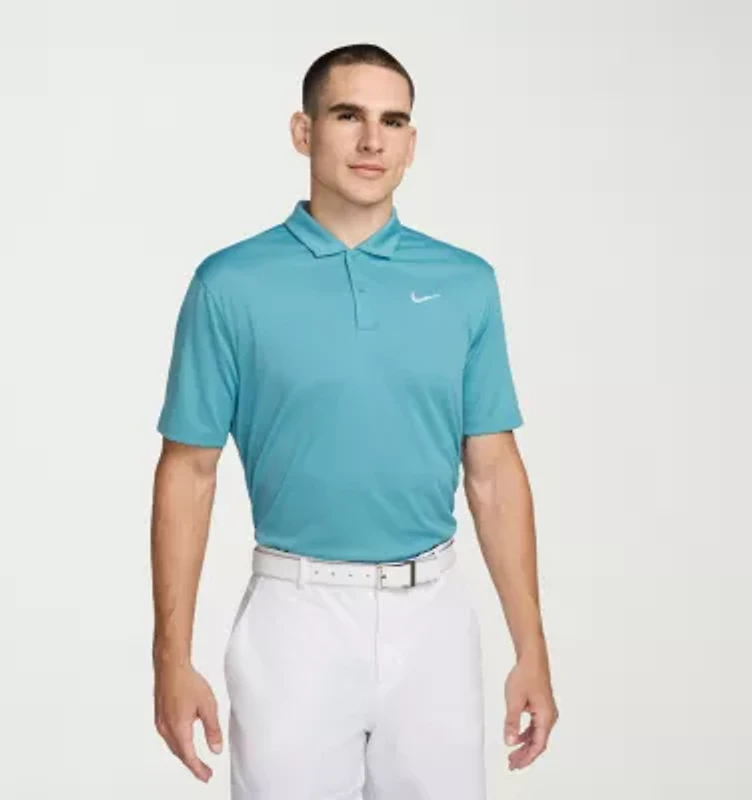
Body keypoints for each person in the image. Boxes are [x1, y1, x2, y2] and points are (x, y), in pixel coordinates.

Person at [151, 43, 558, 799]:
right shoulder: (230, 284)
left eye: (392, 121)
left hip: (434, 621)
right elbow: (189, 472)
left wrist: (531, 647)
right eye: (349, 116)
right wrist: (170, 660)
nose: (373, 140)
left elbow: (494, 473)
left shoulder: (465, 283)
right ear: (303, 132)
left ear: (411, 142)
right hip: (294, 619)